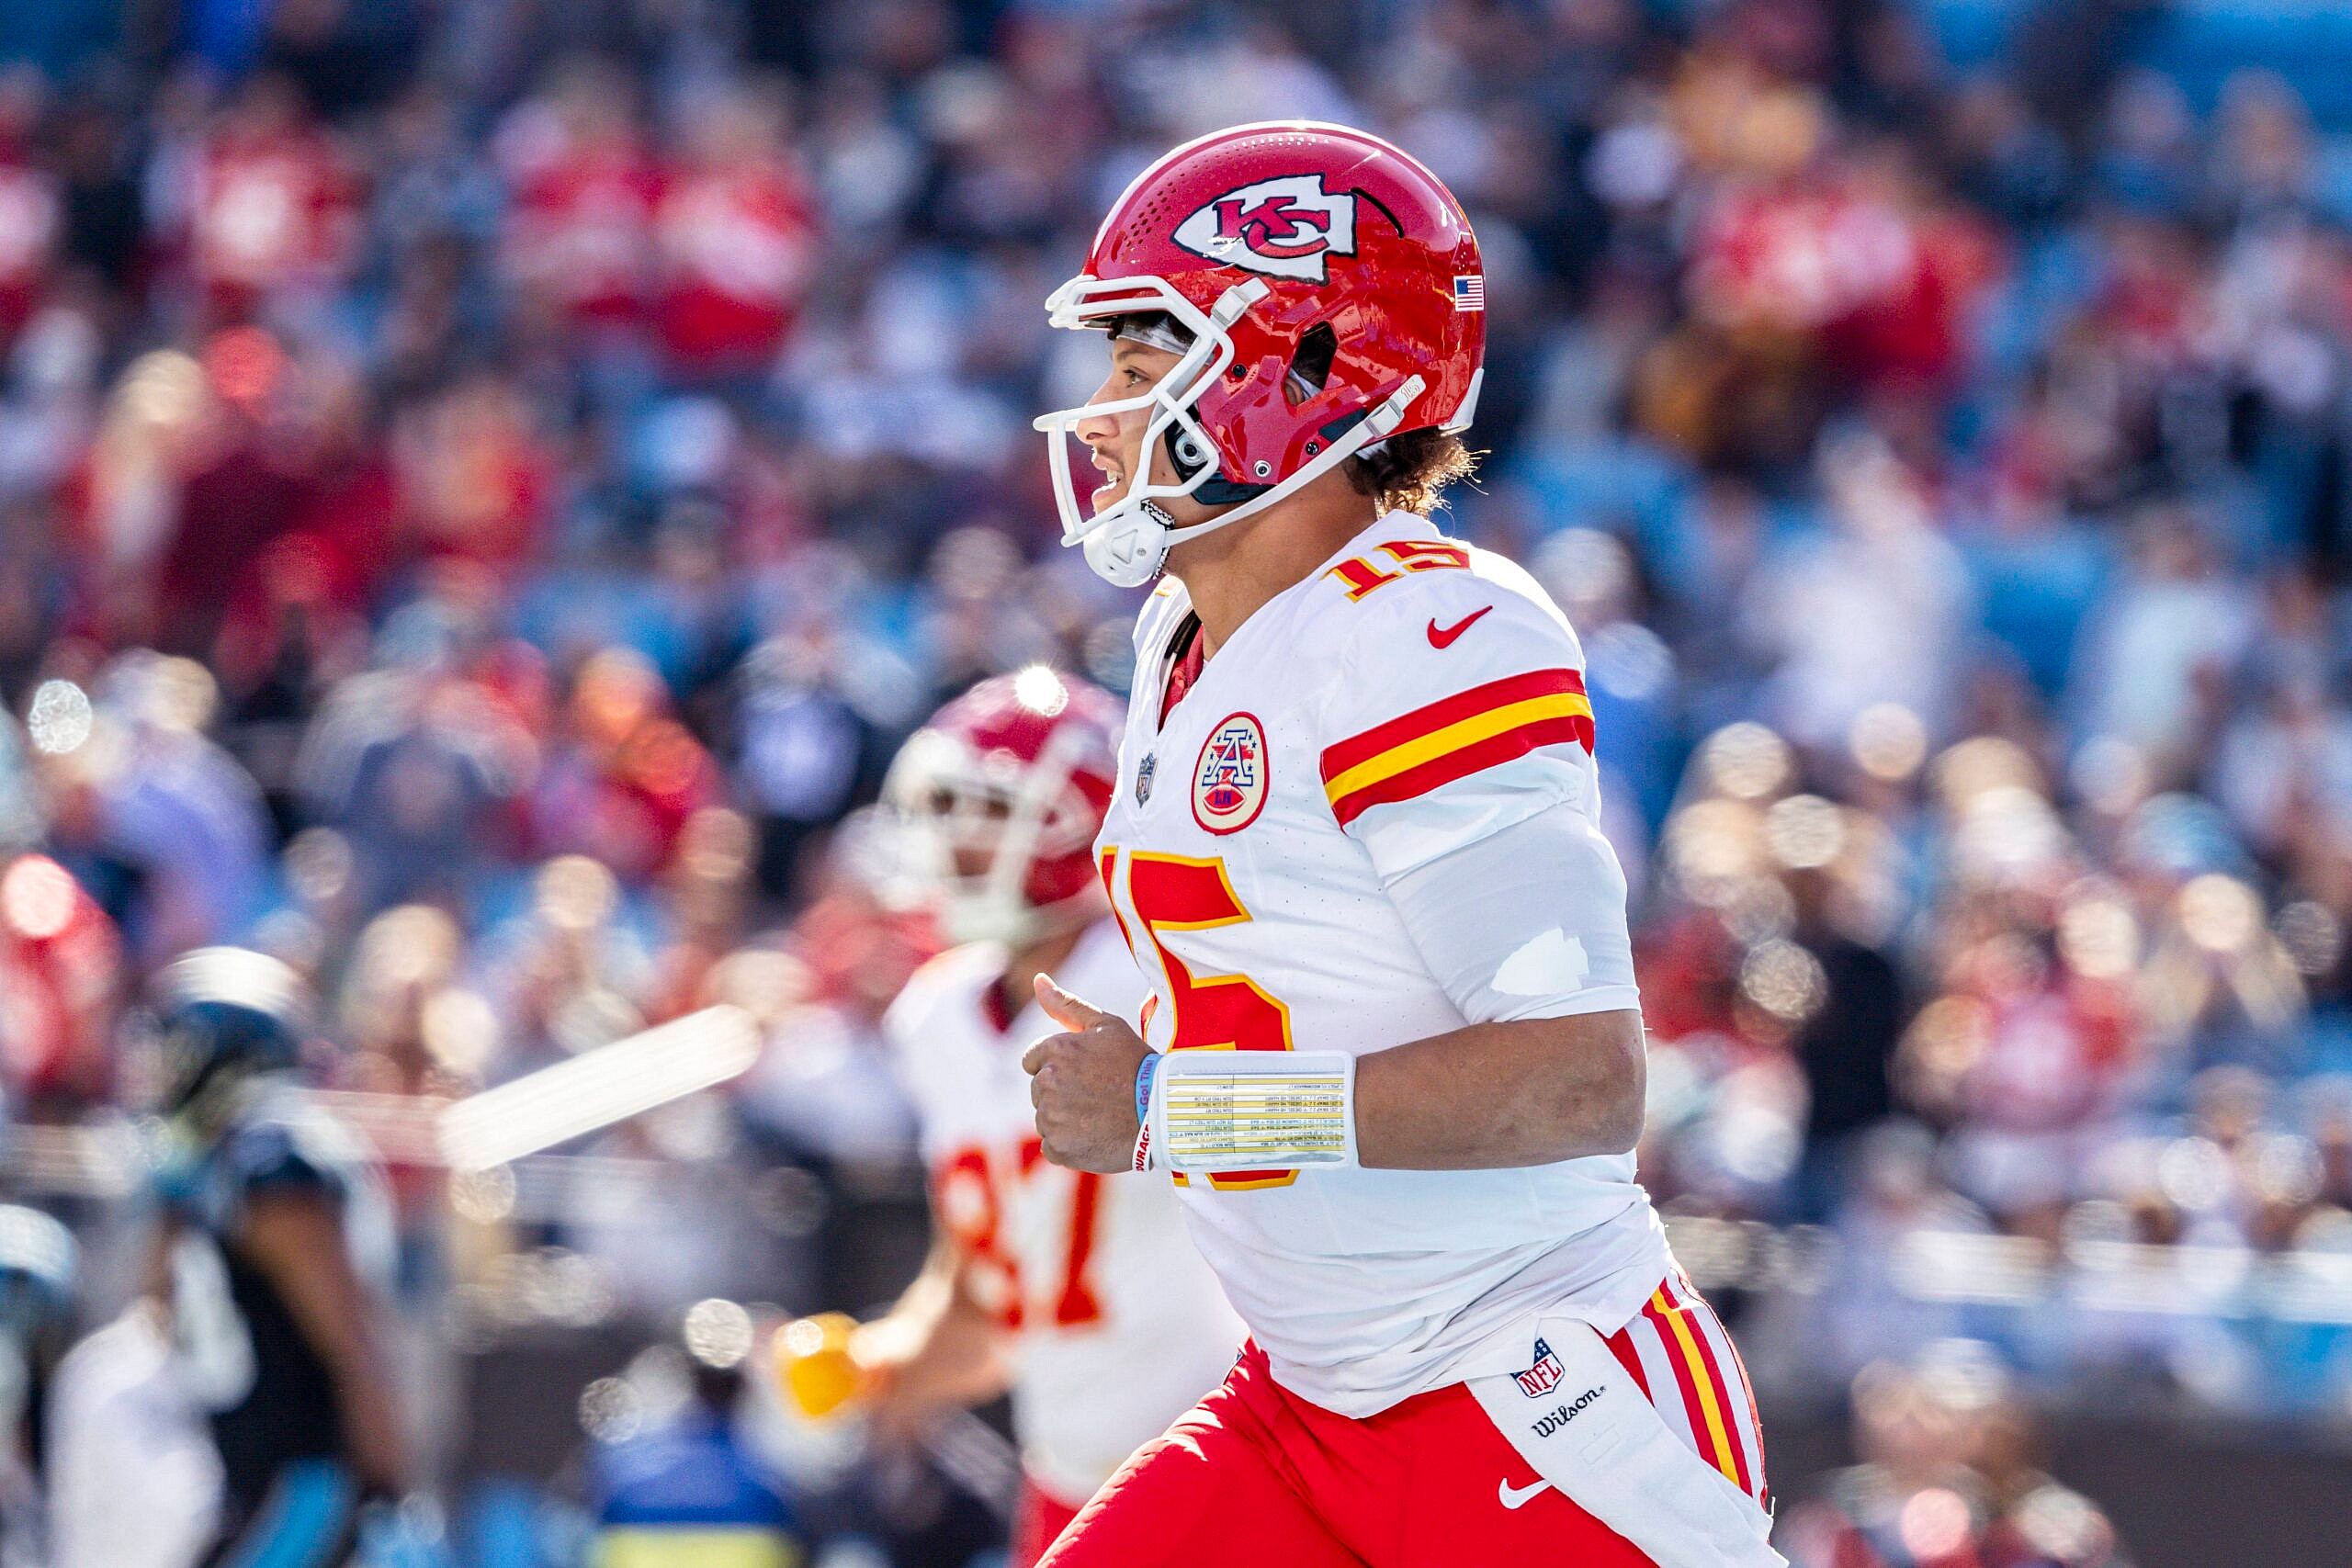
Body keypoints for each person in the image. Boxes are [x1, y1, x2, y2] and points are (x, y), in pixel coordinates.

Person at [1019, 122, 1778, 1565]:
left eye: (1140, 364)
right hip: (1301, 1400)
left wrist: (1177, 1108)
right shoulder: (1184, 632)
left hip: (1528, 1401)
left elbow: (1578, 1076)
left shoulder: (1426, 635)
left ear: (1296, 372)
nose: (1103, 417)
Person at [775, 668, 1242, 1565]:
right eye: (943, 810)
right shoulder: (937, 1016)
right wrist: (878, 1360)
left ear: (1077, 817)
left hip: (1217, 1451)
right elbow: (987, 1295)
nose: (952, 842)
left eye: (984, 811)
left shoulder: (1165, 976)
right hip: (1064, 1471)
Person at [145, 947, 410, 1567]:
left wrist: (385, 1469)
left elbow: (348, 1337)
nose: (158, 1071)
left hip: (301, 1478)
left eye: (176, 1050)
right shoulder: (229, 1158)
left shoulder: (275, 1162)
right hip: (264, 1472)